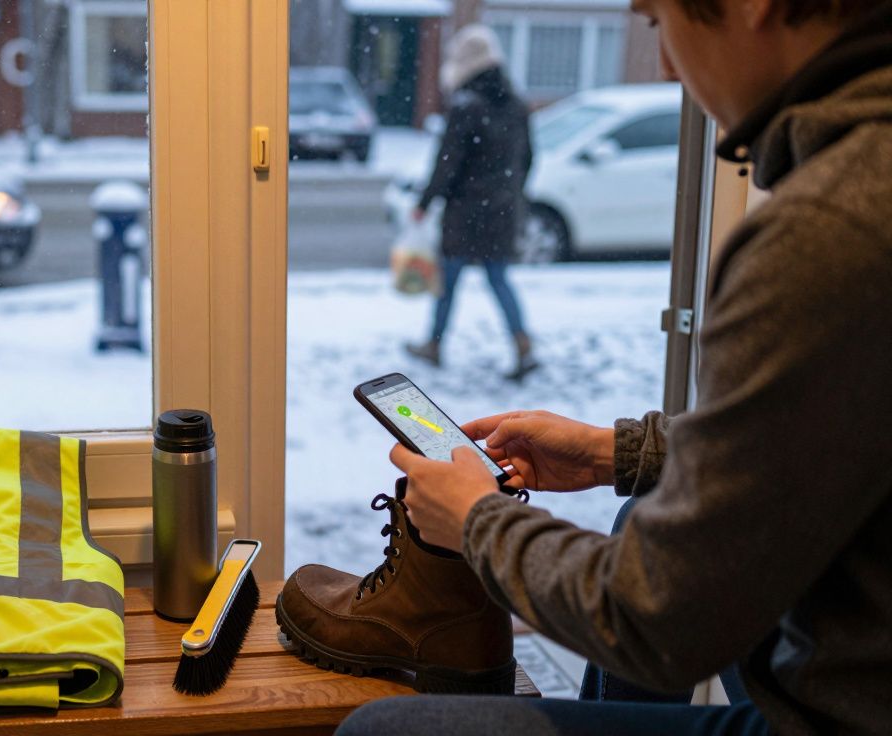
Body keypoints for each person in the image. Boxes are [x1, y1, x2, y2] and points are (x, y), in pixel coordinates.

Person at [339, 0, 892, 733]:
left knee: (380, 730)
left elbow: (656, 619)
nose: (665, 66)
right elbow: (822, 422)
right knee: (640, 510)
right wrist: (613, 451)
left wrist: (477, 518)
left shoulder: (830, 232)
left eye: (660, 21)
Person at [405, 25, 537, 381]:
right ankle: (523, 344)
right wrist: (511, 194)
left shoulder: (465, 107)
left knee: (448, 281)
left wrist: (425, 201)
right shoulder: (516, 106)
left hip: (465, 213)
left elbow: (446, 163)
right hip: (502, 211)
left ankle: (433, 345)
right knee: (499, 279)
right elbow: (527, 159)